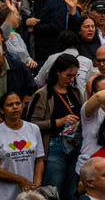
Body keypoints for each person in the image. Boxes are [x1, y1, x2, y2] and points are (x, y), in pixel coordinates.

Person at [26, 53, 83, 198]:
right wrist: (59, 121)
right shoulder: (43, 94)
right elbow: (31, 125)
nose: (71, 80)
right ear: (57, 71)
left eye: (74, 76)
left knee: (71, 191)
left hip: (74, 144)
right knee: (52, 191)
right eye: (68, 75)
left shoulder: (76, 92)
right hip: (53, 146)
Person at [0, 92, 44, 200]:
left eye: (18, 103)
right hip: (2, 194)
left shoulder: (33, 129)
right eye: (10, 105)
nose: (15, 107)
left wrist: (37, 182)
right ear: (2, 110)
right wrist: (20, 179)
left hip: (27, 193)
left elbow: (39, 160)